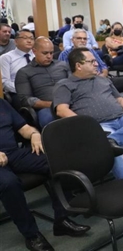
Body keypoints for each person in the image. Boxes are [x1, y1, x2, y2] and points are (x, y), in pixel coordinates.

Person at [54, 47, 123, 179]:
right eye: (91, 61)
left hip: (122, 119)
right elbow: (61, 110)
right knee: (115, 152)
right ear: (78, 66)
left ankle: (113, 140)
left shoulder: (103, 79)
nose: (96, 64)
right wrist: (87, 125)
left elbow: (119, 99)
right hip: (99, 127)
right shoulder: (65, 84)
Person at [0, 99, 91, 251]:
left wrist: (35, 134)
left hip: (13, 153)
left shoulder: (2, 104)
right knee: (9, 183)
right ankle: (32, 235)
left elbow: (23, 128)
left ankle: (62, 219)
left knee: (56, 163)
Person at [59, 29, 123, 103]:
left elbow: (103, 66)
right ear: (72, 40)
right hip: (82, 84)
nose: (82, 41)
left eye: (85, 39)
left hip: (101, 80)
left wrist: (103, 75)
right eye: (79, 38)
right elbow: (63, 74)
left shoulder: (91, 51)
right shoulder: (65, 54)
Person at [15, 38, 69, 128]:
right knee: (49, 121)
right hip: (46, 108)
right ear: (34, 51)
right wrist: (52, 104)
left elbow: (75, 83)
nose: (49, 56)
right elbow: (25, 99)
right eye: (45, 53)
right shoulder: (24, 72)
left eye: (51, 53)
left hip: (70, 102)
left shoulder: (63, 65)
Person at [1, 29, 35, 102]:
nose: (29, 41)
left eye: (31, 38)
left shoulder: (37, 55)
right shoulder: (6, 58)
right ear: (16, 41)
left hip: (39, 90)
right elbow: (5, 82)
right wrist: (24, 89)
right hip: (18, 93)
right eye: (25, 38)